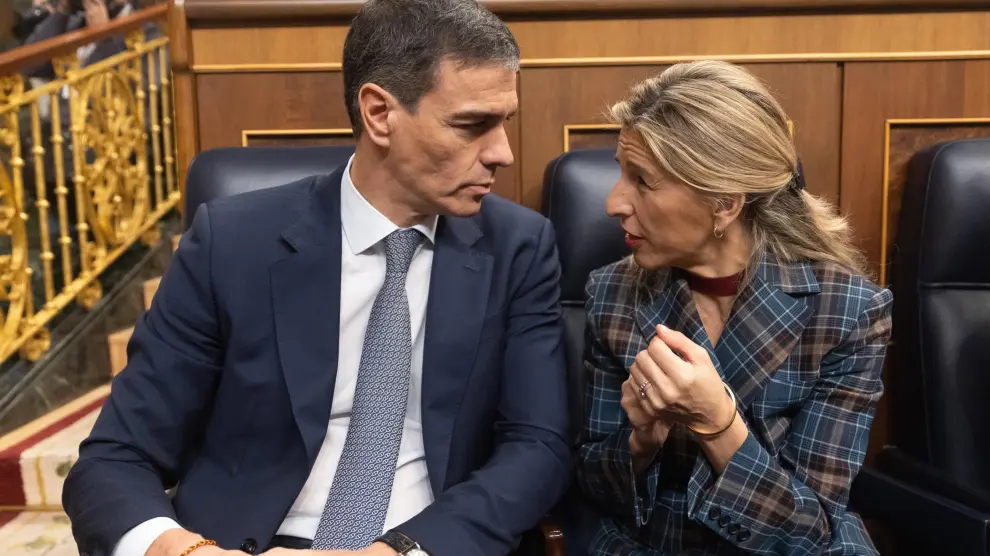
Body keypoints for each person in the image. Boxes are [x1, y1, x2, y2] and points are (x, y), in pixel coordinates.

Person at [62, 1, 571, 555]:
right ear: (379, 113)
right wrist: (186, 551)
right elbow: (117, 457)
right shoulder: (232, 242)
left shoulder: (520, 247)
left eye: (505, 123)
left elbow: (536, 446)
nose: (502, 153)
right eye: (473, 125)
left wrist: (397, 551)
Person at [575, 60, 892, 555]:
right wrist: (642, 439)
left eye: (642, 180)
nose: (615, 201)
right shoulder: (614, 294)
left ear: (723, 201)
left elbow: (810, 531)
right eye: (622, 172)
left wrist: (717, 422)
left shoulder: (848, 311)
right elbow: (594, 489)